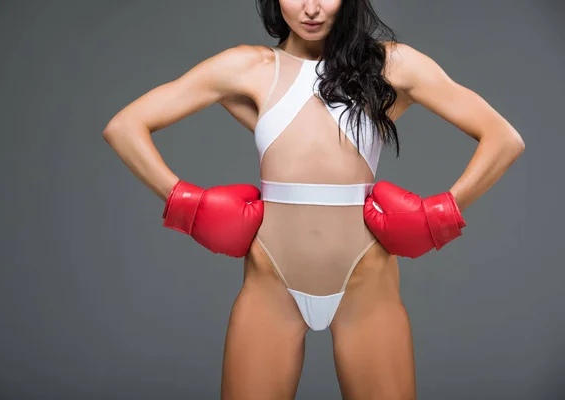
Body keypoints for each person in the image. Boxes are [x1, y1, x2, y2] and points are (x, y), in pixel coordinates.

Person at [102, 0, 525, 398]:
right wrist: (186, 205)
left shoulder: (390, 65)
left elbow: (504, 138)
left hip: (366, 287)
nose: (310, 8)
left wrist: (440, 216)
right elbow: (125, 127)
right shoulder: (248, 67)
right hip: (271, 285)